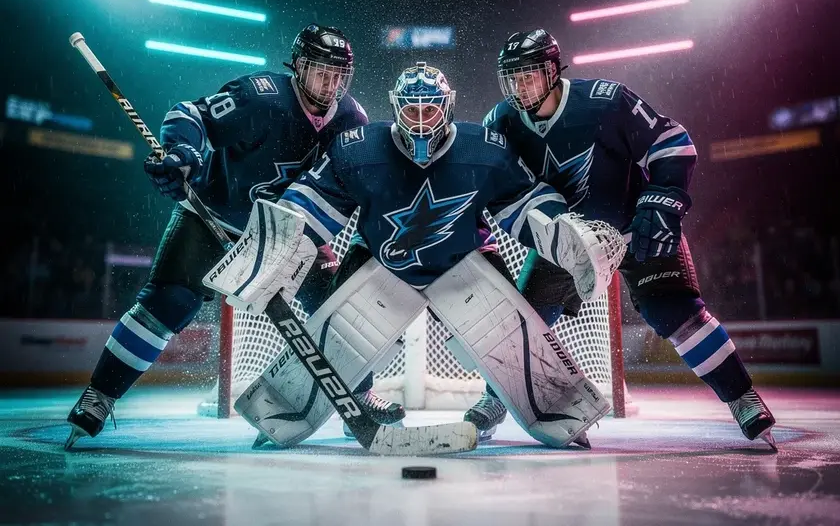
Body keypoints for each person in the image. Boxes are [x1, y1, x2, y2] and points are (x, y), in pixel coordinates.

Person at [65, 24, 403, 449]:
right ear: (298, 66)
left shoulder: (352, 118)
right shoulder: (258, 96)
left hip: (287, 235)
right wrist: (182, 155)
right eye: (321, 72)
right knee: (170, 302)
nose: (331, 85)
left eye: (339, 75)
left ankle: (359, 392)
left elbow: (350, 183)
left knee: (337, 304)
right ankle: (101, 393)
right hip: (213, 218)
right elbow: (189, 114)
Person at [270, 62, 621, 443]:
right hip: (380, 260)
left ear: (447, 107)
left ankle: (523, 404)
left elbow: (527, 202)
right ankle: (343, 400)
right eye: (411, 109)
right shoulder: (360, 148)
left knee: (508, 332)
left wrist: (564, 232)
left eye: (430, 109)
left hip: (464, 260)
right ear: (396, 107)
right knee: (339, 328)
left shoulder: (483, 148)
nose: (420, 121)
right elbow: (311, 201)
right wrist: (275, 243)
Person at [480, 28, 776, 449]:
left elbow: (671, 141)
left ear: (553, 69)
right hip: (566, 241)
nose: (520, 86)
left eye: (529, 74)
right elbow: (499, 186)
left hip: (634, 230)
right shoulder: (502, 123)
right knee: (523, 324)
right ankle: (494, 401)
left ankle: (741, 396)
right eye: (512, 77)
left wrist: (663, 202)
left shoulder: (605, 100)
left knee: (678, 315)